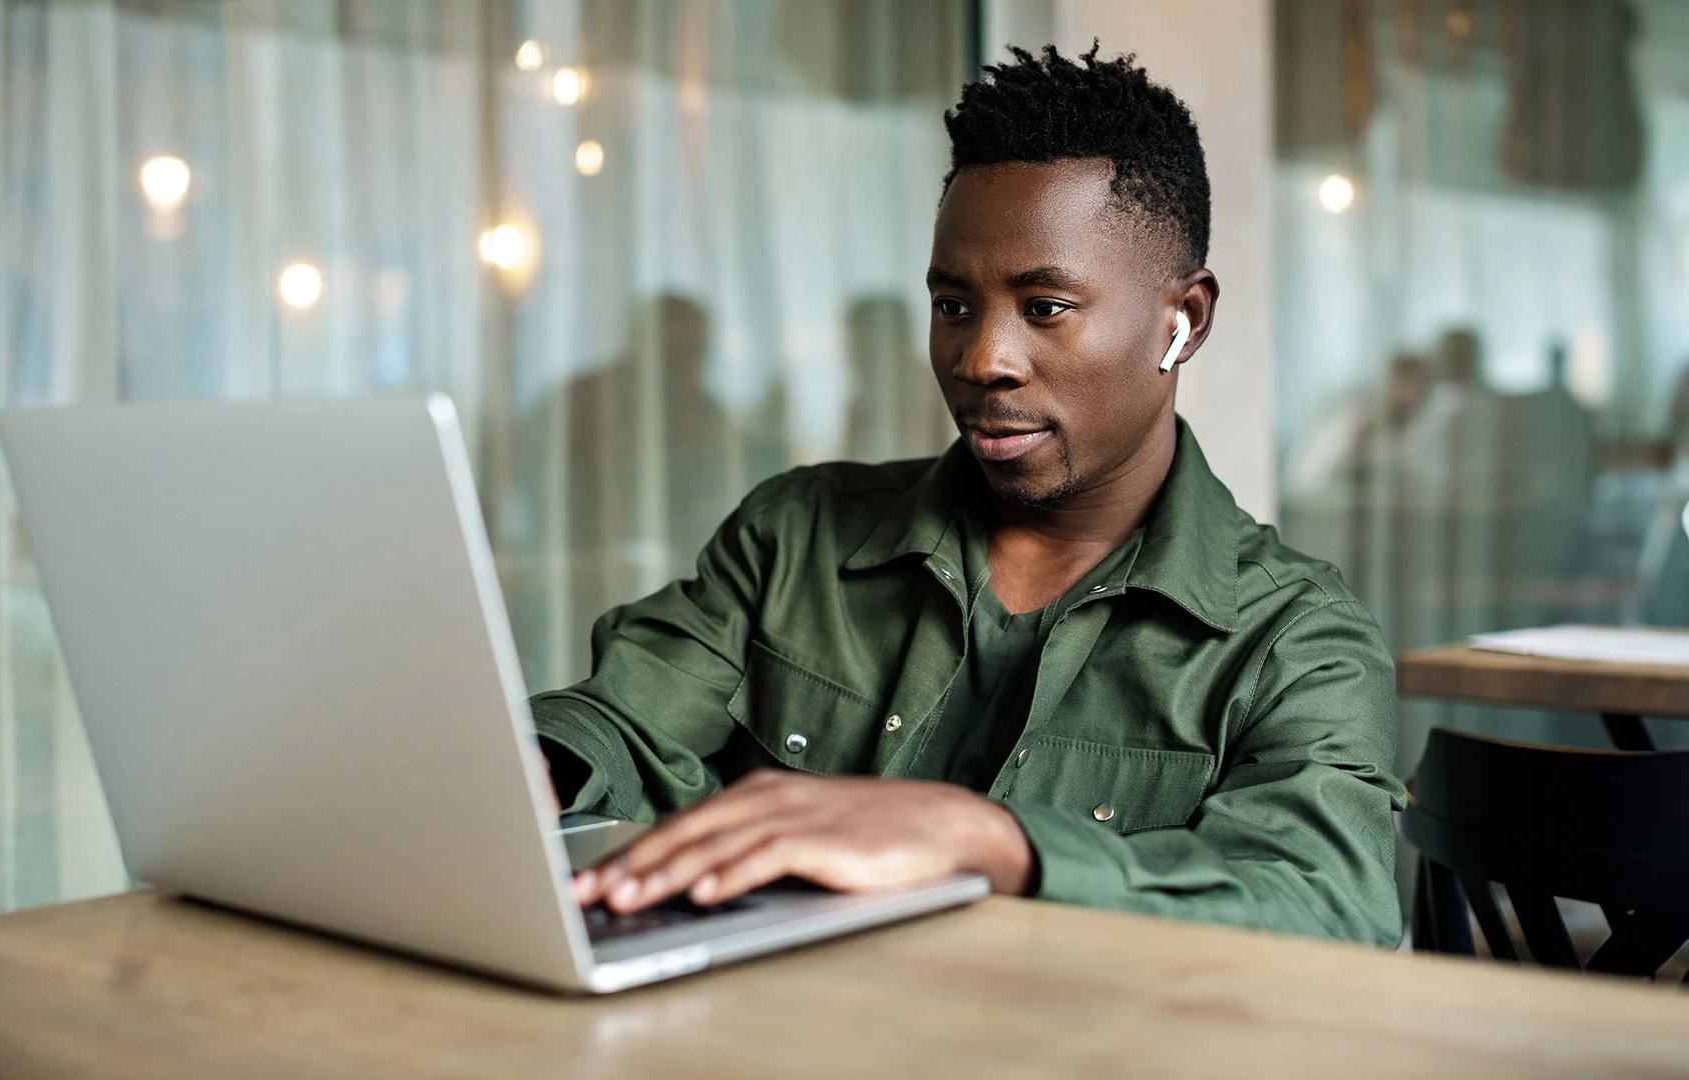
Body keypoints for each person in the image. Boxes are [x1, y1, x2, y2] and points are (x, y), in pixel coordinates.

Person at [531, 44, 1404, 946]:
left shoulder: (1296, 642)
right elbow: (617, 721)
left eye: (1045, 308)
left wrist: (989, 841)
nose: (983, 359)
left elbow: (1330, 905)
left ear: (1183, 321)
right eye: (953, 305)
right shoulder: (795, 537)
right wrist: (523, 772)